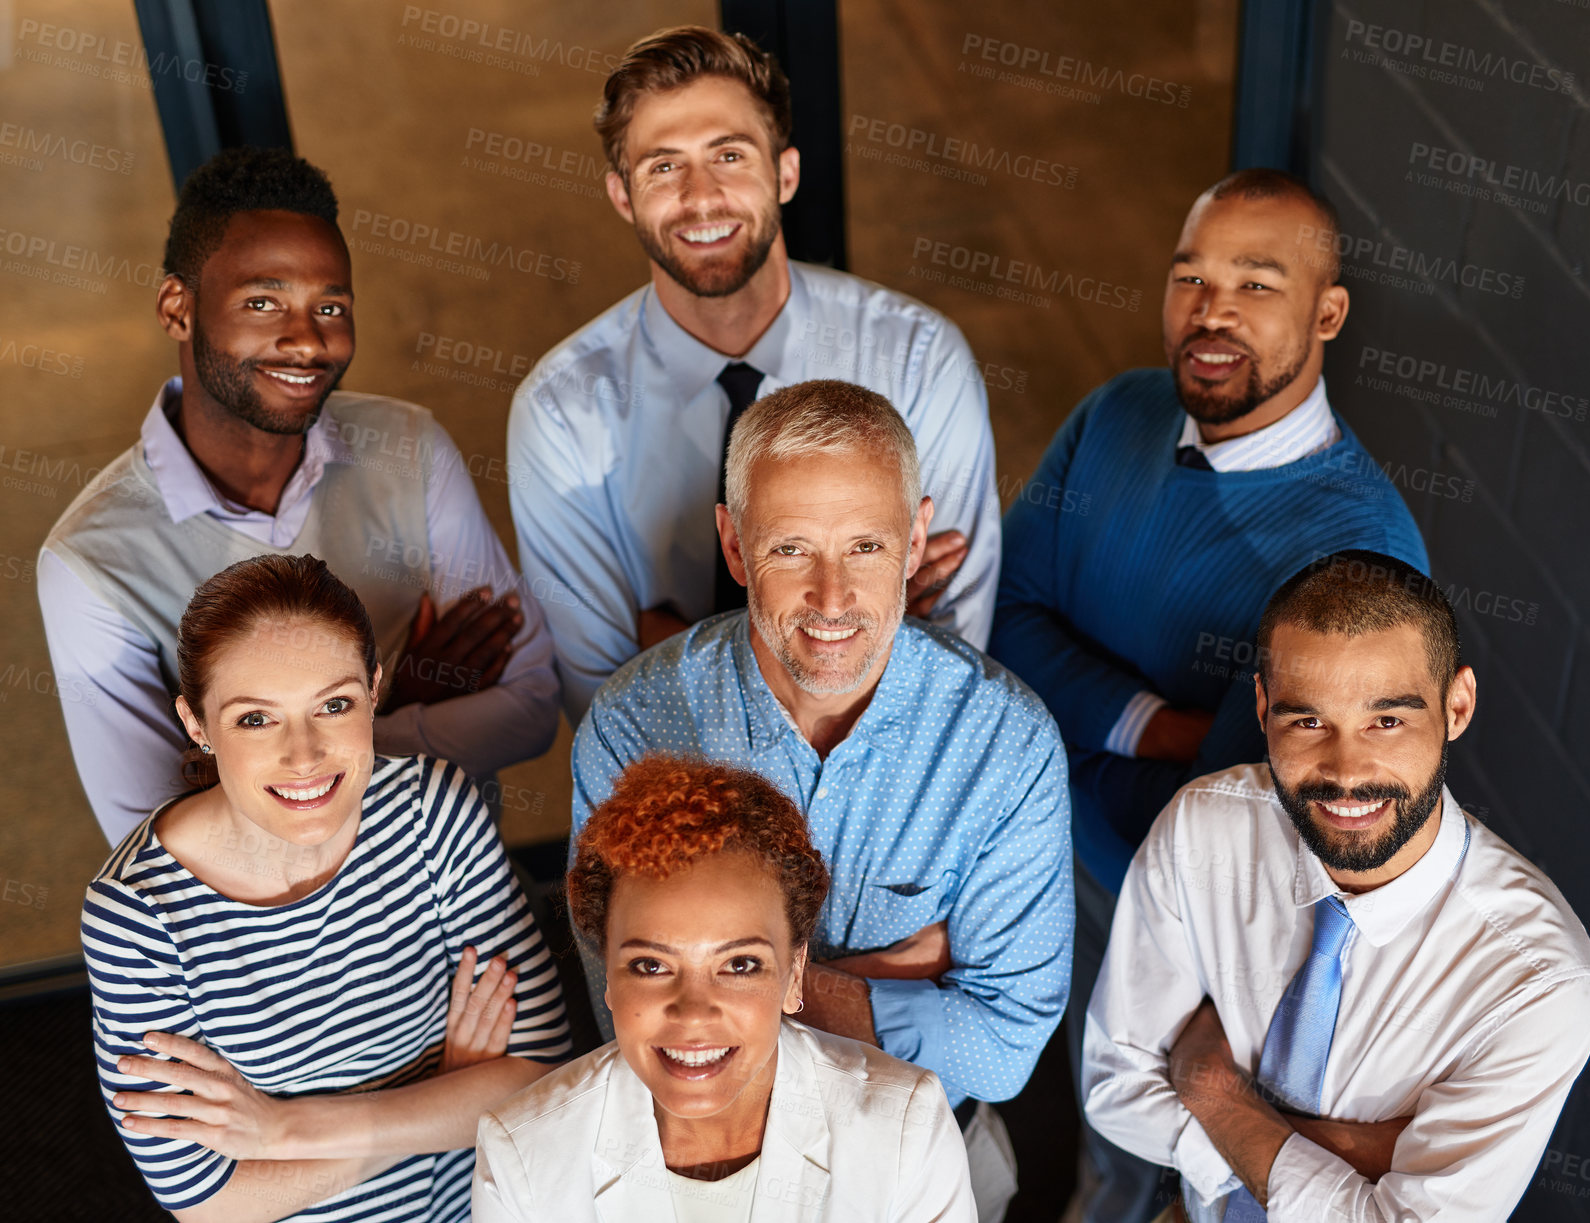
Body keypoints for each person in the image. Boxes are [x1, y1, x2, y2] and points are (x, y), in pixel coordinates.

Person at [987, 169, 1429, 1221]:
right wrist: (1154, 722)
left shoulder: (1354, 552)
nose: (1209, 311)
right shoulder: (1117, 415)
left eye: (1254, 283)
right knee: (1042, 1099)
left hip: (1175, 918)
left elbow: (1235, 791)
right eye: (1189, 275)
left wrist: (1079, 720)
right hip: (1034, 849)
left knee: (1139, 1161)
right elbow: (1001, 618)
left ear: (1326, 313)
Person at [571, 379, 1072, 1222]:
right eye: (791, 549)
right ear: (734, 546)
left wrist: (732, 981)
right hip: (697, 1172)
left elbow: (1003, 1047)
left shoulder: (1006, 745)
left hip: (936, 1162)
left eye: (867, 547)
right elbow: (630, 1013)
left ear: (916, 538)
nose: (832, 598)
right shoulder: (635, 727)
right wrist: (892, 980)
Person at [40, 146, 560, 845]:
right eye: (262, 301)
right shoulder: (90, 563)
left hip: (462, 904)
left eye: (331, 306)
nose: (307, 340)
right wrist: (401, 708)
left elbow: (530, 707)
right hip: (268, 953)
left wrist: (246, 767)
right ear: (177, 309)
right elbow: (156, 835)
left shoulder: (411, 446)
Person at [1082, 551, 1590, 1222]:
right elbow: (1114, 1085)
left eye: (1387, 720)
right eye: (1308, 721)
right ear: (1264, 709)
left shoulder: (1537, 979)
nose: (1346, 770)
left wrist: (1212, 1090)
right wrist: (1371, 1158)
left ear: (1457, 705)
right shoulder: (1203, 830)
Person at [508, 24, 1001, 724]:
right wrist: (841, 645)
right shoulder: (560, 411)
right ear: (623, 196)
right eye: (663, 167)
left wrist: (673, 644)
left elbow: (946, 669)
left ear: (786, 173)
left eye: (729, 155)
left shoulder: (920, 361)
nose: (701, 196)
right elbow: (611, 707)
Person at [81, 553, 572, 1223]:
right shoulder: (136, 915)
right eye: (256, 718)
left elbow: (538, 1077)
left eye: (333, 704)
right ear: (197, 724)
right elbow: (208, 1200)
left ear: (374, 691)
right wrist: (446, 1093)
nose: (305, 755)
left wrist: (280, 1130)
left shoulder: (433, 809)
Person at [474, 754, 977, 1221]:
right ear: (608, 975)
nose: (693, 1015)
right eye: (650, 966)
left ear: (794, 973)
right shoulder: (524, 1152)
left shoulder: (905, 1128)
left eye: (740, 964)